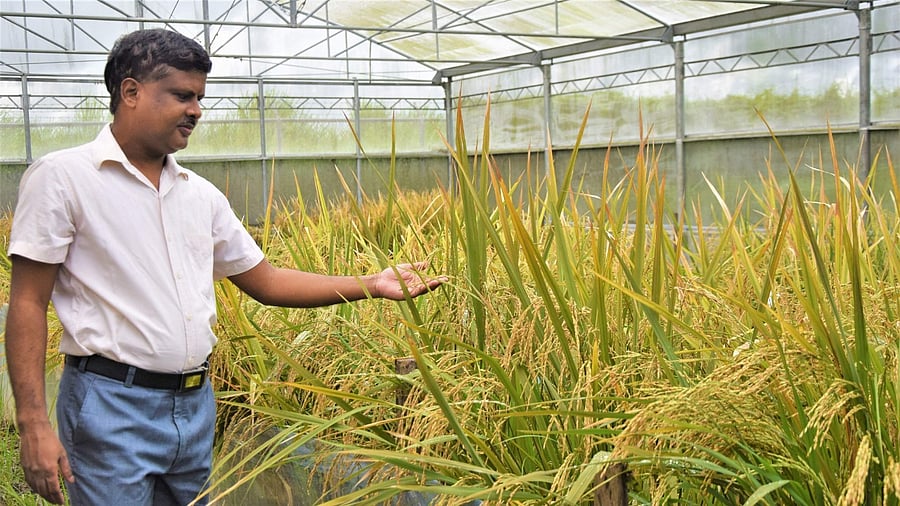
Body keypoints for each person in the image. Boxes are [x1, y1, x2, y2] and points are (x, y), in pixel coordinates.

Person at [4, 28, 445, 505]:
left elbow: (268, 280)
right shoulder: (64, 178)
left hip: (195, 407)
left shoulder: (199, 194)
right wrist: (33, 423)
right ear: (130, 92)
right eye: (181, 95)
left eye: (199, 97)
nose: (196, 110)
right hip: (110, 405)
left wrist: (372, 284)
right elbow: (27, 301)